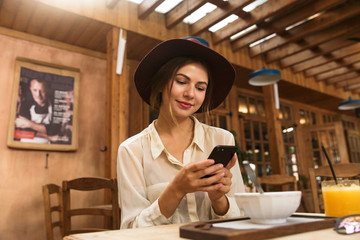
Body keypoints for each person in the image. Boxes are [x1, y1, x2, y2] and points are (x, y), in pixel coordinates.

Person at [117, 37, 245, 229]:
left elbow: (241, 219)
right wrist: (176, 190)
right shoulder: (131, 150)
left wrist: (219, 200)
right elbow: (130, 231)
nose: (191, 94)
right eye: (181, 81)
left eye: (200, 87)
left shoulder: (222, 139)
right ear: (160, 84)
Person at [15, 78, 53, 143]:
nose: (38, 95)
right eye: (35, 90)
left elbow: (54, 130)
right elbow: (24, 132)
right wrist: (48, 135)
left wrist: (29, 123)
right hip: (26, 144)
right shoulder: (25, 105)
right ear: (30, 89)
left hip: (46, 146)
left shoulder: (53, 104)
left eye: (42, 91)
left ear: (47, 90)